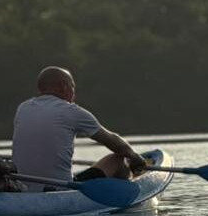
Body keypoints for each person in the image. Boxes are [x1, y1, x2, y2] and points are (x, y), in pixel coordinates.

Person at [12, 66, 148, 191]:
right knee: (118, 158)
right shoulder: (72, 111)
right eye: (73, 86)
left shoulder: (22, 108)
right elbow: (111, 140)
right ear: (64, 86)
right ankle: (127, 194)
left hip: (23, 188)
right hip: (61, 189)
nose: (74, 93)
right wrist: (135, 157)